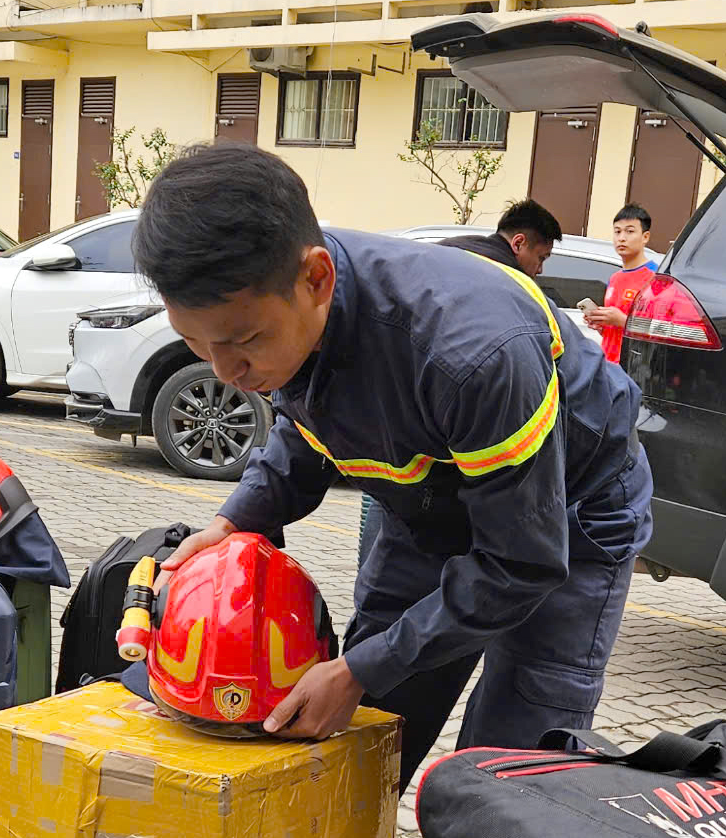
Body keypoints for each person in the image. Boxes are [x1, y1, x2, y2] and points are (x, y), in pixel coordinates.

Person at [134, 145, 651, 787]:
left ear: (318, 279)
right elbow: (309, 420)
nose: (226, 374)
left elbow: (520, 564)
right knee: (368, 733)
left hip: (567, 514)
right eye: (195, 343)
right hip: (427, 503)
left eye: (242, 344)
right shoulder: (280, 300)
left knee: (509, 768)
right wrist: (237, 519)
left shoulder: (473, 354)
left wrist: (359, 670)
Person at [579, 202, 659, 363]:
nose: (621, 238)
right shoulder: (615, 278)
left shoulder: (655, 278)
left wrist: (621, 320)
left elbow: (658, 330)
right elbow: (616, 331)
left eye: (630, 231)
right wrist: (603, 325)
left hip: (635, 368)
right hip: (608, 363)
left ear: (645, 237)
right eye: (617, 231)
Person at [441, 198, 558, 279]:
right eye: (541, 258)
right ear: (518, 244)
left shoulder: (448, 248)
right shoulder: (510, 283)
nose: (540, 270)